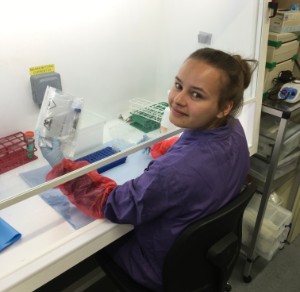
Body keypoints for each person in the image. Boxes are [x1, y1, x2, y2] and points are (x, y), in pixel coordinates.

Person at [41, 47, 257, 291]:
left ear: (224, 107)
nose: (178, 99)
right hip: (198, 263)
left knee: (101, 241)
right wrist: (160, 148)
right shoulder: (234, 132)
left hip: (158, 268)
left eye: (196, 95)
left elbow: (111, 203)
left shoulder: (174, 172)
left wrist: (62, 167)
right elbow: (195, 152)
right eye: (178, 85)